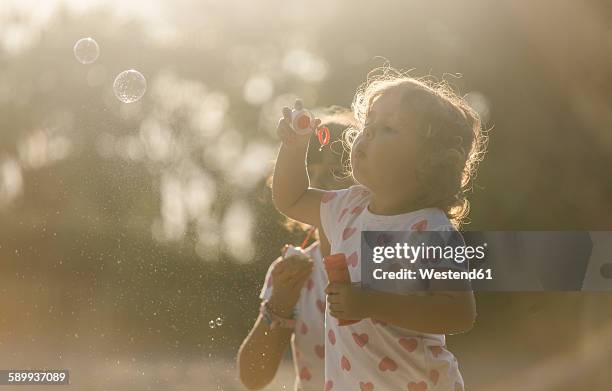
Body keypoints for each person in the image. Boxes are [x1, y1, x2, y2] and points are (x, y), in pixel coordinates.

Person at [272, 68, 486, 390]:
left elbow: (458, 312)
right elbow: (291, 199)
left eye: (387, 128)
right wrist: (293, 148)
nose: (368, 133)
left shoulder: (429, 229)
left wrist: (372, 304)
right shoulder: (347, 207)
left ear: (428, 163)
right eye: (368, 123)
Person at [237, 109, 355, 391]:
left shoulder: (389, 253)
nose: (317, 183)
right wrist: (279, 304)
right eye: (308, 172)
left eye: (336, 171)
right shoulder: (295, 272)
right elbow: (253, 378)